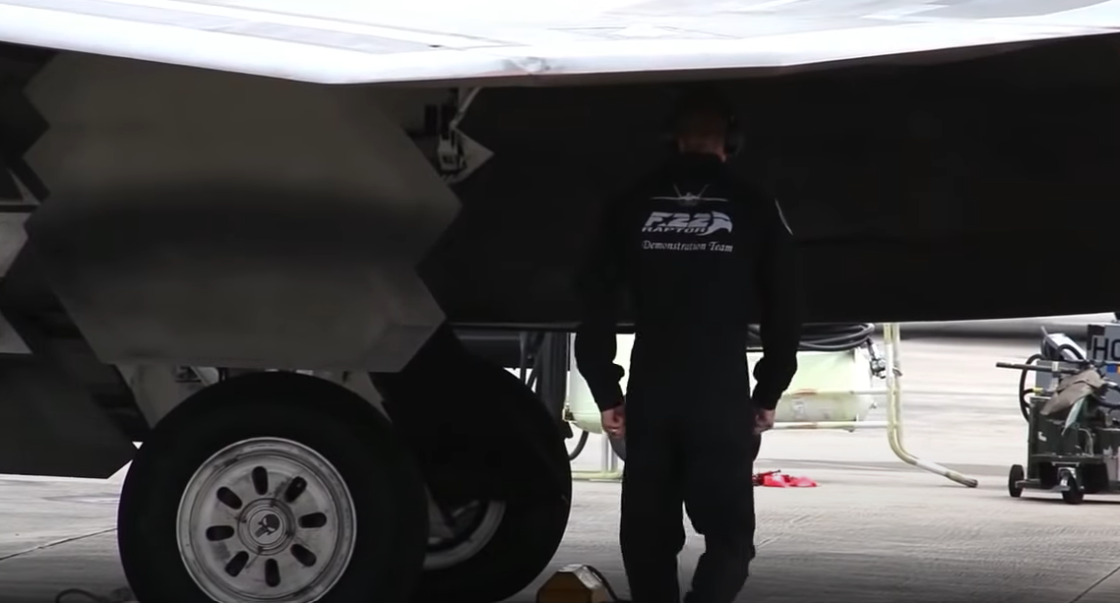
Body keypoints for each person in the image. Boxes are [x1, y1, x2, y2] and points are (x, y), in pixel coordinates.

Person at [573, 85, 804, 603]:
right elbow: (785, 310)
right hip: (720, 396)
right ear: (732, 140)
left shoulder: (630, 204)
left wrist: (607, 392)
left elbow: (594, 302)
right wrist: (767, 395)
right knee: (729, 539)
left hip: (652, 393)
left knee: (646, 539)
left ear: (672, 140)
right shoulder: (755, 206)